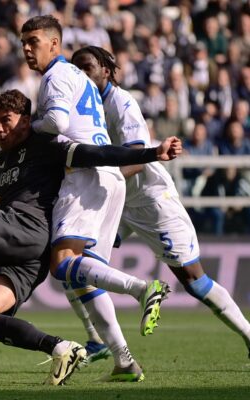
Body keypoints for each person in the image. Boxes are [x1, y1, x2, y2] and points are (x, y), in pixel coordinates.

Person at [0, 89, 182, 385]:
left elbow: (97, 153)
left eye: (6, 120)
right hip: (27, 255)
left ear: (25, 120)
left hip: (30, 226)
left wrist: (152, 152)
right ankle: (60, 348)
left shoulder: (46, 145)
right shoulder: (0, 161)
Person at [72, 45, 250, 358]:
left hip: (151, 200)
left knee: (193, 279)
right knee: (73, 260)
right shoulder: (86, 108)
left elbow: (139, 157)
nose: (82, 75)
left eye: (88, 67)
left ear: (106, 70)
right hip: (119, 201)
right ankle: (98, 339)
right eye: (77, 70)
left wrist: (102, 182)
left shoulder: (122, 103)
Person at [20, 15, 170, 381]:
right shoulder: (79, 77)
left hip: (84, 177)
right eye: (24, 41)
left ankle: (141, 288)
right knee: (83, 277)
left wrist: (29, 128)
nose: (27, 48)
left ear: (55, 44)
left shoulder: (55, 77)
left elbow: (55, 123)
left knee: (62, 264)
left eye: (34, 41)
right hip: (108, 179)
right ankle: (124, 361)